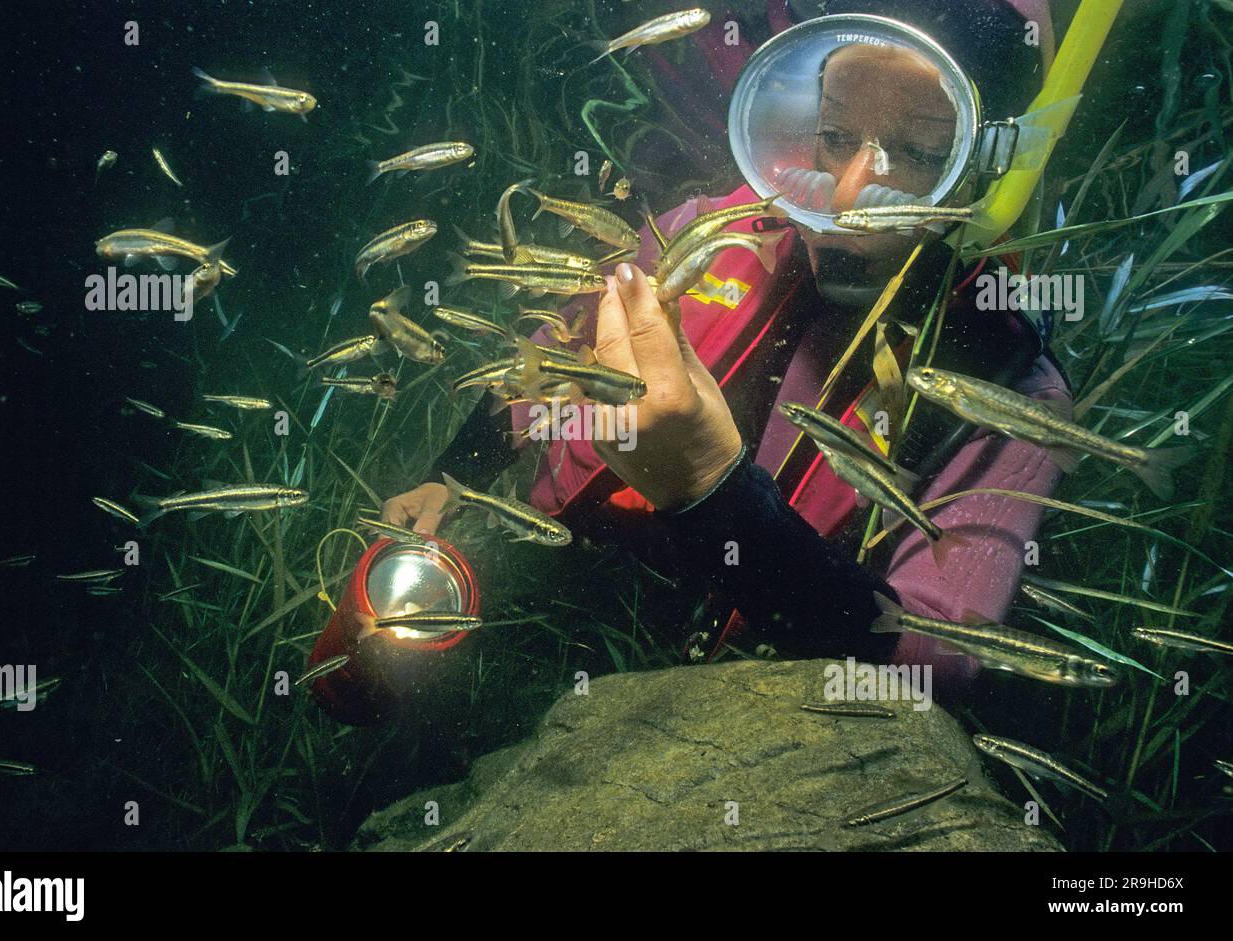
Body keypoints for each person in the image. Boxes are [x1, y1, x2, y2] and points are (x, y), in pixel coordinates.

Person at [383, 0, 1068, 687]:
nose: (848, 194)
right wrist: (452, 476)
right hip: (550, 598)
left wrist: (711, 487)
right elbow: (555, 347)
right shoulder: (710, 230)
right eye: (834, 135)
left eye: (918, 153)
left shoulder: (1007, 388)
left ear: (986, 164)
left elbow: (937, 661)